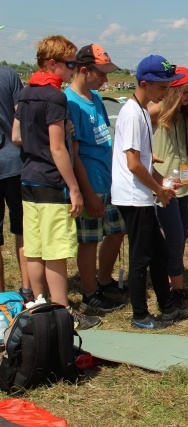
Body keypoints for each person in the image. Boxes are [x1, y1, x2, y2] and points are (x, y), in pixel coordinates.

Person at [12, 35, 100, 329]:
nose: (73, 70)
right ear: (52, 63)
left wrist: (36, 140)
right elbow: (58, 148)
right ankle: (61, 313)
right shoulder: (55, 96)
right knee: (57, 250)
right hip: (52, 181)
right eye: (70, 64)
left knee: (35, 247)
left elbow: (16, 136)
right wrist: (74, 188)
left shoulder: (25, 93)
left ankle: (38, 303)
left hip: (28, 178)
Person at [111, 55, 188, 328]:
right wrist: (159, 189)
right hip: (133, 197)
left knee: (159, 254)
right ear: (144, 84)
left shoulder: (144, 112)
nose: (166, 92)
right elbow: (133, 164)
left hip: (143, 194)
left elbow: (145, 161)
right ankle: (140, 315)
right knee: (141, 257)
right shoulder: (133, 114)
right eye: (161, 87)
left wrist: (165, 184)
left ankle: (167, 308)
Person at [66, 44, 127, 315]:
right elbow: (75, 154)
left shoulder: (96, 99)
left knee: (118, 230)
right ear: (83, 70)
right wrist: (87, 193)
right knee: (90, 240)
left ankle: (103, 279)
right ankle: (90, 293)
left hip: (110, 179)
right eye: (101, 74)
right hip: (91, 182)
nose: (106, 80)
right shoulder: (71, 103)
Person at [148, 66, 188, 305]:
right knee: (175, 236)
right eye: (184, 92)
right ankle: (172, 287)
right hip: (163, 184)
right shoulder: (156, 112)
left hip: (187, 185)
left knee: (181, 235)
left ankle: (176, 285)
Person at [0, 65, 31, 299]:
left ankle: (1, 301)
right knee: (24, 229)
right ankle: (28, 292)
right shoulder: (7, 74)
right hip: (13, 161)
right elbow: (21, 112)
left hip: (12, 163)